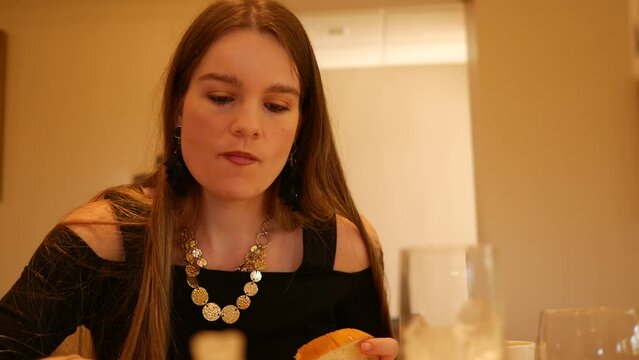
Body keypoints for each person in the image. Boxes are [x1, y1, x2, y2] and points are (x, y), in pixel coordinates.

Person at [0, 0, 399, 359]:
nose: (247, 125)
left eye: (276, 106)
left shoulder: (347, 252)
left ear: (301, 125)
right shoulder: (104, 237)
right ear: (178, 107)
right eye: (222, 98)